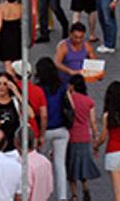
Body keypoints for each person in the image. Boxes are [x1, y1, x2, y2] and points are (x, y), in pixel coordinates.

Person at [35, 57, 70, 201]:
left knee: (42, 165)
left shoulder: (39, 89)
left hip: (45, 130)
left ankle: (44, 195)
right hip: (61, 129)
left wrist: (40, 134)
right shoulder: (61, 86)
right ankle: (62, 196)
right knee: (60, 165)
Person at [65, 74, 101, 199]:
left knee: (71, 167)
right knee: (83, 165)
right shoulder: (89, 101)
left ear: (72, 86)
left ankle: (74, 195)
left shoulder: (69, 99)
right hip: (85, 137)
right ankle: (85, 189)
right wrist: (96, 137)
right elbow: (93, 122)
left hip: (71, 136)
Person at [16, 127, 54, 201]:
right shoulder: (45, 161)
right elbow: (49, 188)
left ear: (16, 142)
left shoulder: (23, 165)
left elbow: (23, 195)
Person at [0, 0, 23, 67]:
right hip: (17, 35)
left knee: (7, 61)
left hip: (5, 37)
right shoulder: (20, 7)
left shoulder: (1, 7)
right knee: (17, 61)